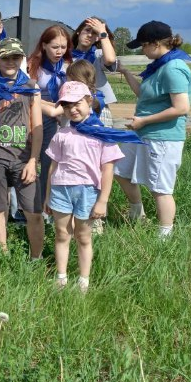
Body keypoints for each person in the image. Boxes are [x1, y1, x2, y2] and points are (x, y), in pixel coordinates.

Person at [114, 21, 191, 239]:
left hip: (163, 137)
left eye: (143, 45)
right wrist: (126, 72)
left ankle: (164, 236)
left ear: (156, 44)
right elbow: (144, 93)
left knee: (160, 188)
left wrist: (145, 121)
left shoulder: (173, 68)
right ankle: (137, 211)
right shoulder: (159, 66)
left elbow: (181, 107)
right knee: (119, 171)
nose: (141, 50)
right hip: (143, 133)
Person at [44, 81, 126, 292]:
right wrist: (47, 197)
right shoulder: (62, 134)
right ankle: (61, 277)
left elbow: (107, 170)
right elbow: (53, 167)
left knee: (83, 235)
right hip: (61, 189)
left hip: (88, 191)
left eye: (77, 103)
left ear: (89, 101)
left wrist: (102, 200)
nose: (72, 109)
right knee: (62, 233)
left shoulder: (102, 133)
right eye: (67, 105)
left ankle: (83, 280)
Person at [0, 38, 44, 258]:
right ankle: (3, 255)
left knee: (33, 211)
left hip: (23, 158)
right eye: (5, 57)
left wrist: (33, 160)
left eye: (15, 57)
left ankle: (36, 257)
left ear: (22, 59)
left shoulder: (30, 86)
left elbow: (37, 126)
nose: (10, 62)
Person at [28, 25, 73, 203]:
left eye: (63, 47)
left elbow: (74, 93)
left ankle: (52, 203)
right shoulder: (33, 65)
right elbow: (29, 94)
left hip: (63, 116)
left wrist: (59, 110)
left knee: (55, 162)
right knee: (36, 160)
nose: (59, 51)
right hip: (39, 116)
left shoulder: (69, 66)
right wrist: (51, 108)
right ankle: (32, 206)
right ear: (44, 45)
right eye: (55, 47)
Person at [71, 16, 118, 126]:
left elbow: (110, 59)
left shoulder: (98, 55)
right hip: (73, 108)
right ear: (78, 32)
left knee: (102, 142)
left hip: (99, 108)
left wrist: (102, 32)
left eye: (95, 33)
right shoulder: (66, 57)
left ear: (98, 38)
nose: (90, 35)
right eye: (87, 30)